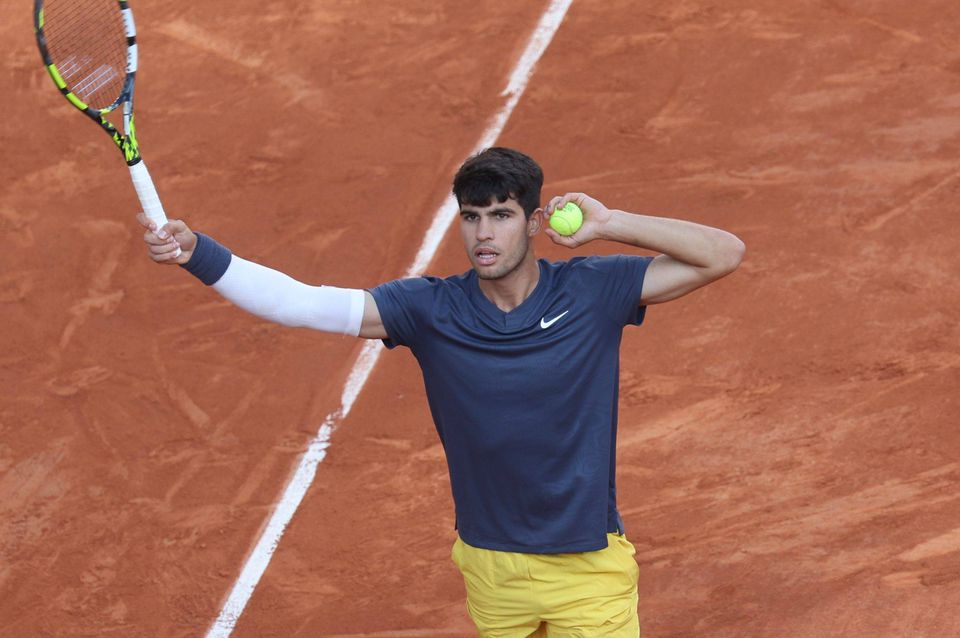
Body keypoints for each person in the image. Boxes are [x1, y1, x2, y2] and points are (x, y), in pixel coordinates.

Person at [139, 147, 744, 637]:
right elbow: (302, 303)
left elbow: (723, 254)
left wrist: (611, 225)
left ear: (535, 223)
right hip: (488, 566)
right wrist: (201, 255)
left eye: (502, 216)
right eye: (471, 216)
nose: (484, 233)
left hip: (586, 563)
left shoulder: (592, 291)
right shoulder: (428, 309)